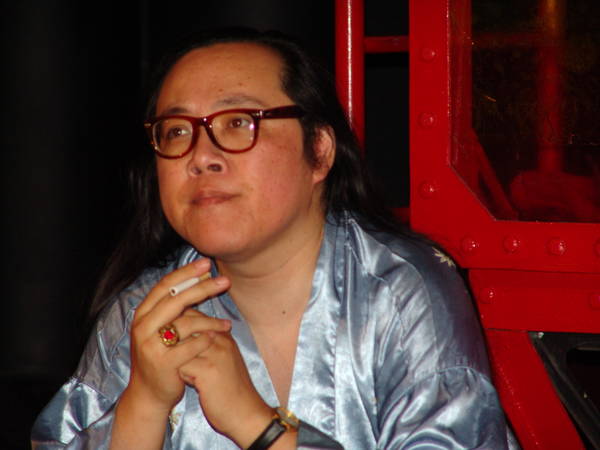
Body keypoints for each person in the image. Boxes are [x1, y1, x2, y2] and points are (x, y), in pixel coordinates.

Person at [32, 28, 518, 449]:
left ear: (319, 151)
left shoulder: (402, 293)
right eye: (177, 131)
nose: (201, 157)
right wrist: (144, 402)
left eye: (238, 122)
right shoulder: (144, 314)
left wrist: (254, 423)